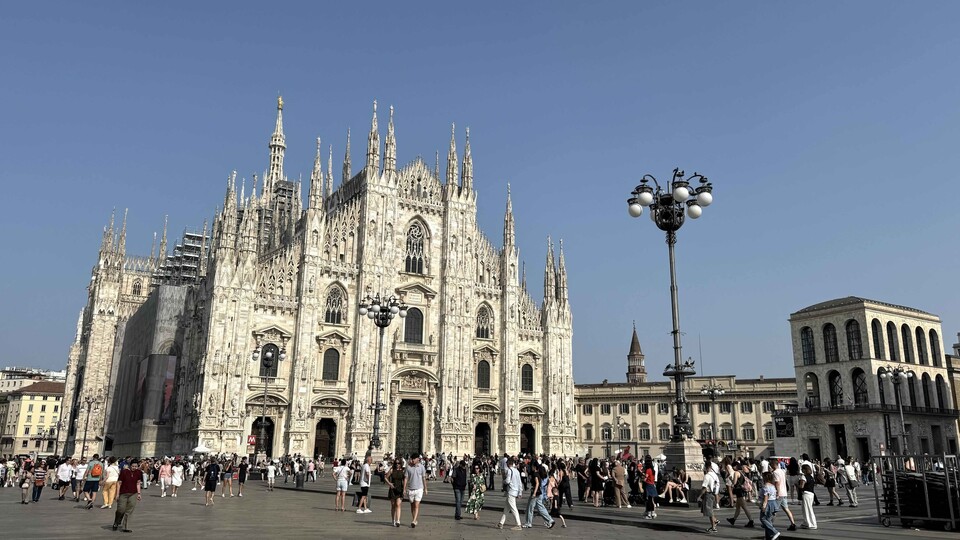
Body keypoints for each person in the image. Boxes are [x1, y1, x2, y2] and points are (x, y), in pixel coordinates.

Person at [112, 460, 142, 532]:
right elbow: (119, 483)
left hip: (133, 493)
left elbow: (138, 483)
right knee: (121, 509)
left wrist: (139, 493)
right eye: (133, 466)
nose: (134, 468)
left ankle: (126, 527)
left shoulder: (138, 473)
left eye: (136, 466)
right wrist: (117, 494)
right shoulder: (124, 472)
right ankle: (117, 521)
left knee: (129, 510)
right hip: (123, 493)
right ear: (130, 466)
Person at [497, 456, 524, 530]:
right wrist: (520, 492)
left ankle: (518, 524)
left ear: (508, 463)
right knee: (506, 508)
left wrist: (504, 481)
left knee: (514, 509)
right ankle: (501, 523)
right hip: (515, 492)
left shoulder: (509, 471)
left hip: (511, 491)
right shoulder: (517, 471)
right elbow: (519, 483)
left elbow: (508, 481)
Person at [726, 462, 755, 527]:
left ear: (735, 466)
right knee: (738, 507)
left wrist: (731, 479)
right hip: (741, 491)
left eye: (733, 467)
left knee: (744, 507)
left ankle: (751, 521)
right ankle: (733, 519)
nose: (732, 468)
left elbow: (734, 482)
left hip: (739, 491)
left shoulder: (736, 473)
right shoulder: (742, 472)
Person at [772, 457, 798, 531]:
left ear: (774, 464)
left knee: (774, 510)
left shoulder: (775, 472)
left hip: (779, 493)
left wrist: (777, 493)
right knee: (786, 509)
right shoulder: (782, 471)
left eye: (771, 464)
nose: (770, 466)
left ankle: (769, 524)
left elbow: (777, 483)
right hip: (784, 492)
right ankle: (793, 523)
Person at [403, 454, 428, 528]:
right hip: (410, 489)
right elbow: (406, 478)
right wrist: (404, 489)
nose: (413, 460)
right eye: (412, 459)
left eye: (414, 459)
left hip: (419, 488)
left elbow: (424, 478)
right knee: (412, 505)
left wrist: (425, 488)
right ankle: (415, 519)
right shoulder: (408, 467)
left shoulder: (422, 467)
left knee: (416, 505)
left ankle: (414, 520)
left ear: (418, 459)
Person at [758, 471, 781, 540]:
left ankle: (774, 532)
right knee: (768, 520)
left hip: (768, 503)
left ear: (765, 478)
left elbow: (766, 497)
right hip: (773, 503)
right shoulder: (772, 486)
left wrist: (764, 506)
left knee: (763, 519)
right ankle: (769, 536)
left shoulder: (765, 486)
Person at [699, 461, 721, 533]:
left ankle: (714, 527)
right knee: (710, 510)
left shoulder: (707, 476)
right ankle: (715, 521)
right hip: (714, 494)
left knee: (709, 511)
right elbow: (718, 484)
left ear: (706, 467)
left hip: (708, 494)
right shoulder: (715, 475)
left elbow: (704, 487)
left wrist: (700, 496)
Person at [386, 459, 405, 527]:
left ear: (401, 464)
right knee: (393, 505)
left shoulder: (403, 470)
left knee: (398, 504)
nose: (397, 464)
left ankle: (398, 520)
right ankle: (393, 520)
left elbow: (405, 480)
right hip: (393, 489)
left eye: (399, 463)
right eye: (396, 463)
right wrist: (389, 483)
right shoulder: (392, 470)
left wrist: (404, 489)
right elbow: (385, 477)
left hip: (400, 488)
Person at [798, 464, 818, 529]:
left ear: (804, 470)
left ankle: (810, 524)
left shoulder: (804, 477)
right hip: (811, 494)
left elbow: (802, 486)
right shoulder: (811, 476)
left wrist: (797, 484)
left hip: (806, 493)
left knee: (806, 510)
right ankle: (809, 523)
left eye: (802, 469)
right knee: (809, 509)